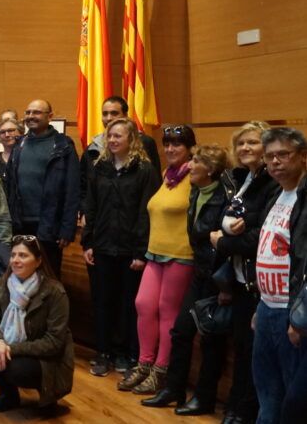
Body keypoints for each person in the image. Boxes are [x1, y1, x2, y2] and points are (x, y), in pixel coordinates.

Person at [142, 144, 232, 414]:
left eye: (196, 161)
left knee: (211, 340)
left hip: (216, 276)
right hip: (199, 271)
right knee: (181, 331)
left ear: (210, 169)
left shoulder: (224, 196)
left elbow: (224, 243)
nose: (189, 166)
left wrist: (225, 286)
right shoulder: (196, 191)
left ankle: (204, 398)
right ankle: (174, 389)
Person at [120, 125, 198, 395]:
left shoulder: (195, 175)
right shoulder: (167, 174)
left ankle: (161, 370)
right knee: (143, 304)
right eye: (167, 144)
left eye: (177, 144)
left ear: (190, 147)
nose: (170, 149)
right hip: (155, 252)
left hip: (181, 254)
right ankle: (144, 364)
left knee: (168, 312)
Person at [81, 118, 160, 376]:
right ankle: (103, 352)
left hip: (130, 250)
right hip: (102, 246)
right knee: (103, 302)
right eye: (110, 136)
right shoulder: (99, 167)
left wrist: (140, 251)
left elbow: (146, 213)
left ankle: (126, 353)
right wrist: (88, 242)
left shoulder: (145, 170)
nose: (113, 140)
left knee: (128, 304)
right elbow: (91, 206)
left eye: (118, 136)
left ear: (131, 139)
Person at [211, 121, 278, 424]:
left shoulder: (271, 182)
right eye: (241, 143)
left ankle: (245, 412)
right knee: (240, 347)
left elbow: (261, 237)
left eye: (252, 142)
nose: (245, 148)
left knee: (254, 352)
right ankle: (235, 407)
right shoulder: (242, 179)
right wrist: (226, 229)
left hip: (260, 283)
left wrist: (223, 241)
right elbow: (226, 217)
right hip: (238, 279)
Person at [0, 235, 74, 413]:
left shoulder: (55, 292)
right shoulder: (4, 283)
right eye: (13, 255)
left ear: (38, 261)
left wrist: (9, 348)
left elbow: (54, 343)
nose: (15, 260)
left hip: (46, 358)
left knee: (17, 370)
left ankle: (49, 396)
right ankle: (8, 395)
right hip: (11, 345)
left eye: (23, 255)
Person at [251, 128, 307, 424]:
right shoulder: (275, 193)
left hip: (291, 313)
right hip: (266, 308)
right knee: (267, 393)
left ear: (303, 156)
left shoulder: (305, 197)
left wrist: (300, 320)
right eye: (270, 156)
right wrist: (260, 304)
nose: (275, 162)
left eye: (283, 154)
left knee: (292, 402)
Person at [5, 99, 79, 277]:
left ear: (50, 116)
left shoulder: (63, 146)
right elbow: (9, 187)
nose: (31, 116)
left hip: (49, 226)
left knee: (48, 278)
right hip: (20, 225)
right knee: (21, 276)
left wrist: (67, 229)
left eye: (37, 112)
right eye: (28, 112)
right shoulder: (19, 144)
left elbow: (72, 189)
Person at [79, 96, 162, 203]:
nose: (109, 118)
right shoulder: (92, 149)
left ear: (126, 116)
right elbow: (83, 187)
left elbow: (154, 184)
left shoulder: (145, 143)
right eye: (105, 114)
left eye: (114, 113)